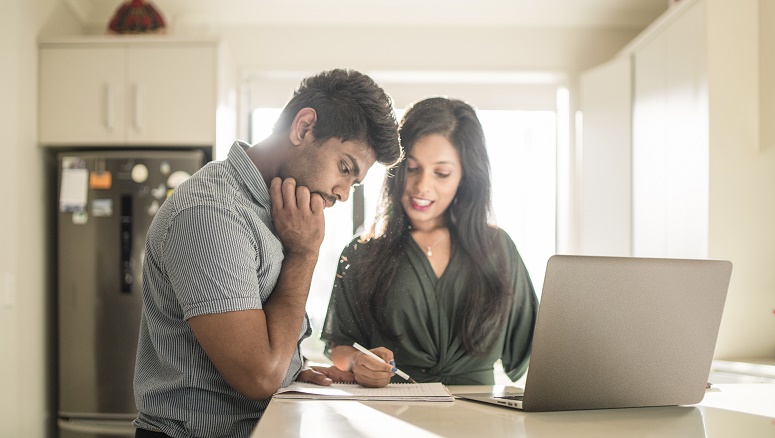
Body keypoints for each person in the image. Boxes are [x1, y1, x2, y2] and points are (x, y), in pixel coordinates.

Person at [133, 68, 403, 438]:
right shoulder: (210, 215)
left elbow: (268, 353)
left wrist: (295, 373)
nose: (342, 193)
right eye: (344, 168)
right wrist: (305, 255)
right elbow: (259, 377)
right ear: (304, 127)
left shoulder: (277, 211)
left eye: (354, 184)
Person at [321, 97, 538, 388]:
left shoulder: (498, 248)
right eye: (412, 168)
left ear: (465, 177)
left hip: (483, 420)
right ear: (396, 169)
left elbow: (539, 350)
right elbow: (341, 348)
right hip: (394, 416)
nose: (423, 186)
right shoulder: (363, 252)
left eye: (442, 173)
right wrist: (358, 362)